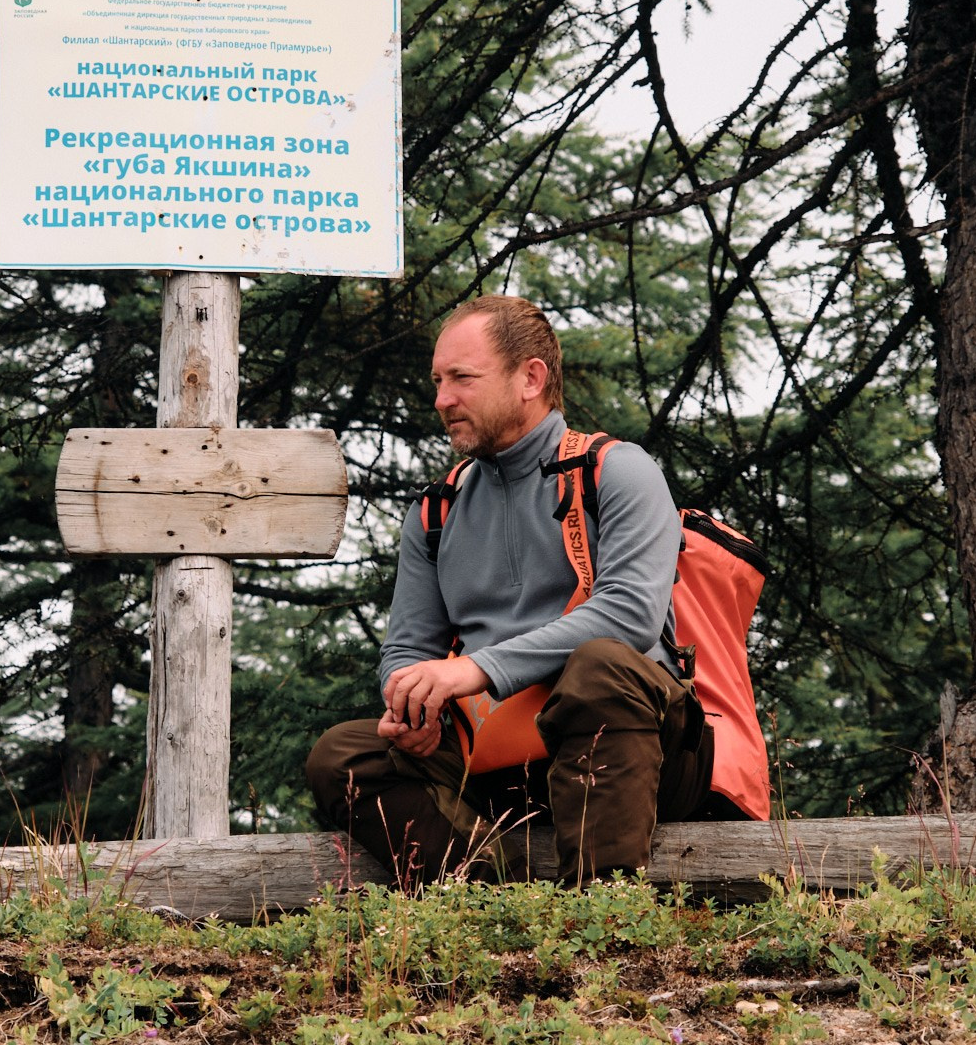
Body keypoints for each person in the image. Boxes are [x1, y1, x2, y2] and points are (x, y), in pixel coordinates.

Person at [305, 295, 742, 887]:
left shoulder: (618, 470)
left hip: (639, 753)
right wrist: (410, 705)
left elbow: (632, 616)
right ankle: (484, 904)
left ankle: (605, 918)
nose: (442, 400)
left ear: (530, 377)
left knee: (601, 666)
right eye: (437, 381)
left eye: (462, 378)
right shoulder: (437, 509)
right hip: (492, 760)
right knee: (342, 756)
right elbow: (406, 649)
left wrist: (471, 672)